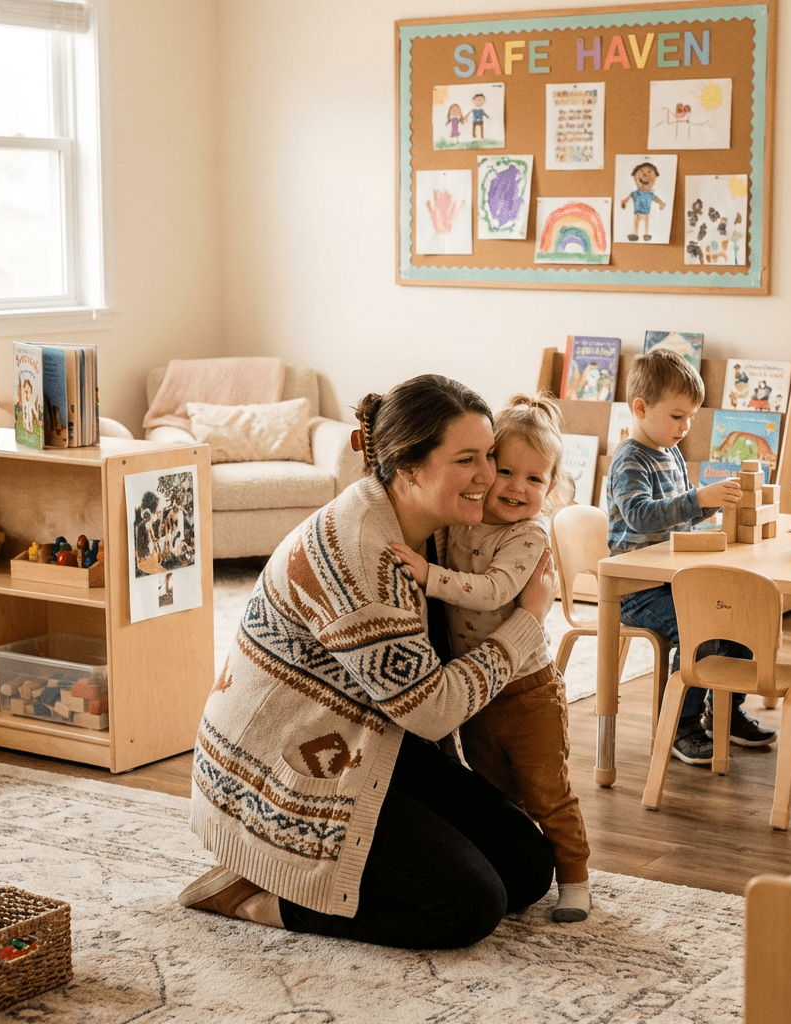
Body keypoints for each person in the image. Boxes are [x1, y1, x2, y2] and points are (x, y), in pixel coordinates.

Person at [177, 374, 558, 949]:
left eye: (490, 456)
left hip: (369, 737)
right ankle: (262, 896)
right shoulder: (364, 556)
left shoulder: (428, 528)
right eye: (467, 460)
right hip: (283, 773)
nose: (489, 477)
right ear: (407, 467)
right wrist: (529, 621)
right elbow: (433, 712)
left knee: (528, 867)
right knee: (470, 909)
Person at [390, 393, 590, 923]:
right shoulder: (462, 519)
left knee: (548, 792)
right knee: (493, 789)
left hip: (527, 691)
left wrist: (429, 577)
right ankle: (514, 865)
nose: (518, 488)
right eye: (506, 471)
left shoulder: (530, 535)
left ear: (550, 489)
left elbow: (492, 589)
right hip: (477, 692)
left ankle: (575, 877)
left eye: (535, 480)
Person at [606, 349, 777, 766]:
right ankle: (682, 724)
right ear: (641, 408)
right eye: (677, 417)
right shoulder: (631, 459)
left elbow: (678, 518)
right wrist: (698, 498)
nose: (685, 428)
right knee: (702, 627)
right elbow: (641, 517)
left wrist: (711, 505)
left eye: (691, 419)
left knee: (739, 615)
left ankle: (725, 710)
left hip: (672, 576)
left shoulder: (669, 450)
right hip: (637, 589)